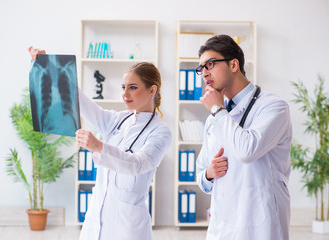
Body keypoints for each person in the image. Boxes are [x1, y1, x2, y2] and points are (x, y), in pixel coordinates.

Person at [29, 47, 172, 240]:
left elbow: (137, 164)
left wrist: (99, 147)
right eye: (123, 87)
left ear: (152, 90)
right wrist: (49, 65)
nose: (125, 94)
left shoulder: (161, 132)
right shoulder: (119, 119)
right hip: (96, 218)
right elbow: (84, 104)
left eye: (133, 87)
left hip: (128, 227)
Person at [195, 35, 292, 240]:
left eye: (210, 64)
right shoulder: (215, 117)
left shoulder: (273, 106)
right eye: (201, 68)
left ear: (233, 64)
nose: (204, 73)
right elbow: (201, 173)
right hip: (223, 223)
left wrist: (217, 108)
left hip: (260, 223)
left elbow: (247, 150)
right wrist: (209, 174)